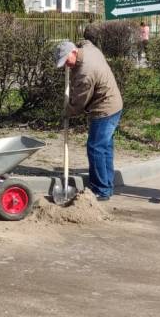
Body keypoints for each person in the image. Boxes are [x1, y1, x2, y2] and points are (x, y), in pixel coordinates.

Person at [55, 39, 123, 201]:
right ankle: (107, 186)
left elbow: (79, 102)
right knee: (105, 147)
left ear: (73, 52)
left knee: (96, 148)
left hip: (104, 109)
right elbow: (87, 43)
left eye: (66, 61)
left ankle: (100, 190)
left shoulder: (85, 72)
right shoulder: (89, 49)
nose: (66, 66)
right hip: (115, 104)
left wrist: (67, 112)